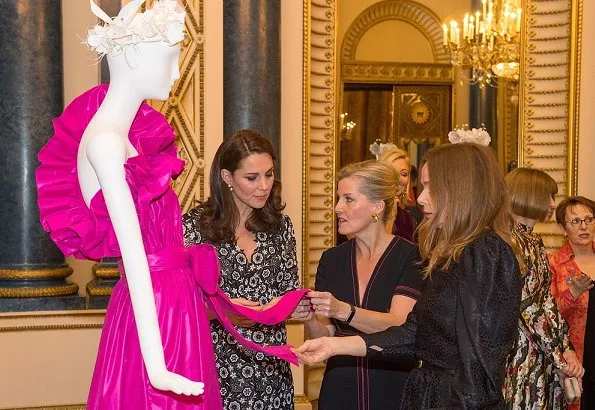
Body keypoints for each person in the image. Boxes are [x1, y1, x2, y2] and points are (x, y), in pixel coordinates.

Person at [36, 1, 305, 408]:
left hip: (177, 303)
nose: (177, 73)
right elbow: (136, 263)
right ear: (132, 57)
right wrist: (156, 363)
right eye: (169, 60)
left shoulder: (126, 139)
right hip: (160, 309)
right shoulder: (106, 143)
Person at [294, 142, 523, 409]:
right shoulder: (451, 254)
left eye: (429, 187)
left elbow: (479, 371)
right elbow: (414, 334)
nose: (420, 198)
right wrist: (334, 346)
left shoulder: (485, 252)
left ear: (459, 188)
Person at [182, 130, 302, 410]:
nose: (264, 186)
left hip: (271, 368)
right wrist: (220, 312)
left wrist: (296, 305)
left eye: (269, 174)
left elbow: (289, 290)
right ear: (227, 177)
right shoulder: (193, 228)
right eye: (252, 178)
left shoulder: (280, 226)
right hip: (215, 366)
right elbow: (177, 304)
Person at [300, 160, 424, 410]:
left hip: (393, 388)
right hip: (339, 388)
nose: (337, 207)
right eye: (338, 198)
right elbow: (326, 335)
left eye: (348, 199)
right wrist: (309, 317)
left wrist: (342, 310)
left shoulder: (411, 256)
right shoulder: (331, 260)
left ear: (377, 207)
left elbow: (400, 325)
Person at [502, 168, 584, 409]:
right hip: (519, 355)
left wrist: (565, 348)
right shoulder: (509, 241)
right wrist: (560, 357)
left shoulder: (533, 241)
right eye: (548, 195)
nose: (552, 203)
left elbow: (546, 300)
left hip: (541, 354)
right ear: (529, 195)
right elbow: (525, 306)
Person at [548, 196, 595, 409]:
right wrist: (573, 293)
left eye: (589, 219)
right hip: (575, 358)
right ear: (562, 228)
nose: (583, 226)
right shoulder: (553, 263)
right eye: (575, 221)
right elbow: (547, 317)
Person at [378, 148, 418, 241]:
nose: (398, 179)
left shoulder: (412, 215)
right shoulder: (367, 211)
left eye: (403, 174)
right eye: (392, 172)